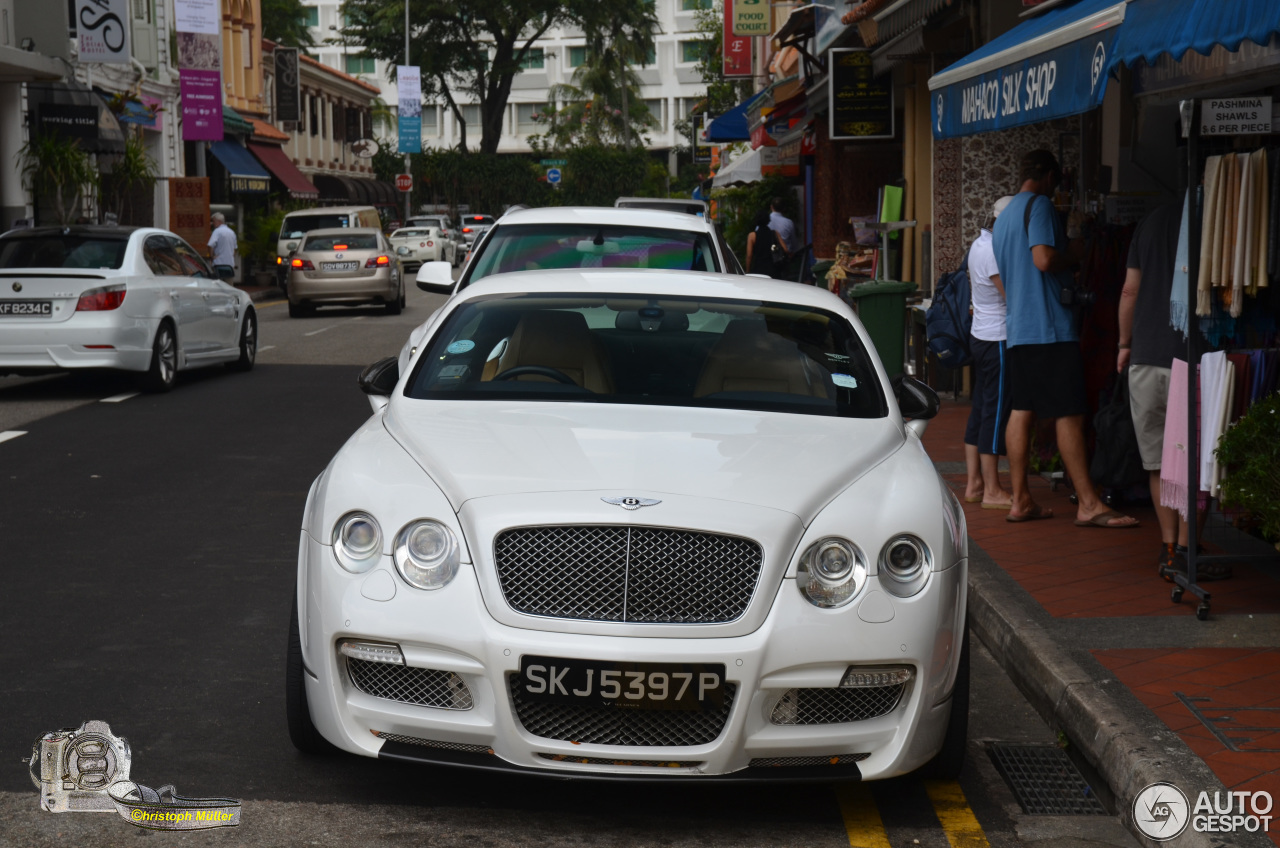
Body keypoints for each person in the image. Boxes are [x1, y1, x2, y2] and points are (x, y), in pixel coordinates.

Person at [992, 149, 1138, 528]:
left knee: (1022, 409)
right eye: (1056, 182)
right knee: (1069, 412)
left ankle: (1021, 499)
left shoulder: (1005, 216)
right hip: (1050, 327)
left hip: (1020, 328)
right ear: (1047, 176)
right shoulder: (1038, 205)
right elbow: (1042, 259)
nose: (1056, 190)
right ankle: (1089, 502)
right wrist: (1073, 254)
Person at [1118, 201, 1231, 579]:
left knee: (1159, 461)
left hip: (1146, 357)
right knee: (1195, 458)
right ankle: (1187, 548)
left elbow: (1129, 291)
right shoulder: (1216, 215)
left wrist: (1124, 343)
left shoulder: (1148, 222)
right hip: (1195, 356)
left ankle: (1169, 550)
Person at [962, 196, 1015, 509]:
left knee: (982, 408)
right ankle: (993, 489)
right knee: (995, 413)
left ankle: (975, 483)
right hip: (997, 337)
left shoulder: (979, 244)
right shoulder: (995, 251)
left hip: (980, 334)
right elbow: (1009, 295)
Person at [745, 210, 786, 277]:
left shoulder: (752, 236)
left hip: (758, 269)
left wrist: (747, 270)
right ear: (768, 220)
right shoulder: (775, 233)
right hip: (774, 269)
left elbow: (749, 256)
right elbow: (785, 249)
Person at [208, 212, 238, 281]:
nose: (212, 223)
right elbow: (234, 249)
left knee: (218, 286)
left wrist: (211, 257)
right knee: (229, 286)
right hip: (230, 265)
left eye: (213, 221)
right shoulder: (232, 232)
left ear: (218, 221)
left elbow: (210, 245)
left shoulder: (217, 231)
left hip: (219, 264)